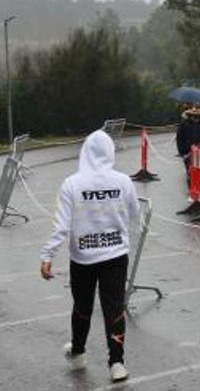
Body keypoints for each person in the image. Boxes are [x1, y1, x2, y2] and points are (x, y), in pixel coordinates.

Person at [39, 131, 139, 383]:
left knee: (82, 307)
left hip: (83, 257)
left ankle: (78, 353)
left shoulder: (72, 183)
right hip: (116, 254)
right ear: (110, 152)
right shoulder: (123, 181)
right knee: (114, 307)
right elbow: (134, 213)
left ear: (84, 152)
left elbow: (61, 225)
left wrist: (47, 255)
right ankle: (117, 363)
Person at [175, 106, 200, 188]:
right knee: (190, 173)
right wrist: (182, 152)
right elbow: (179, 138)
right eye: (193, 115)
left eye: (197, 116)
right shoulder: (184, 124)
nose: (195, 118)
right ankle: (192, 192)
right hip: (188, 152)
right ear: (189, 115)